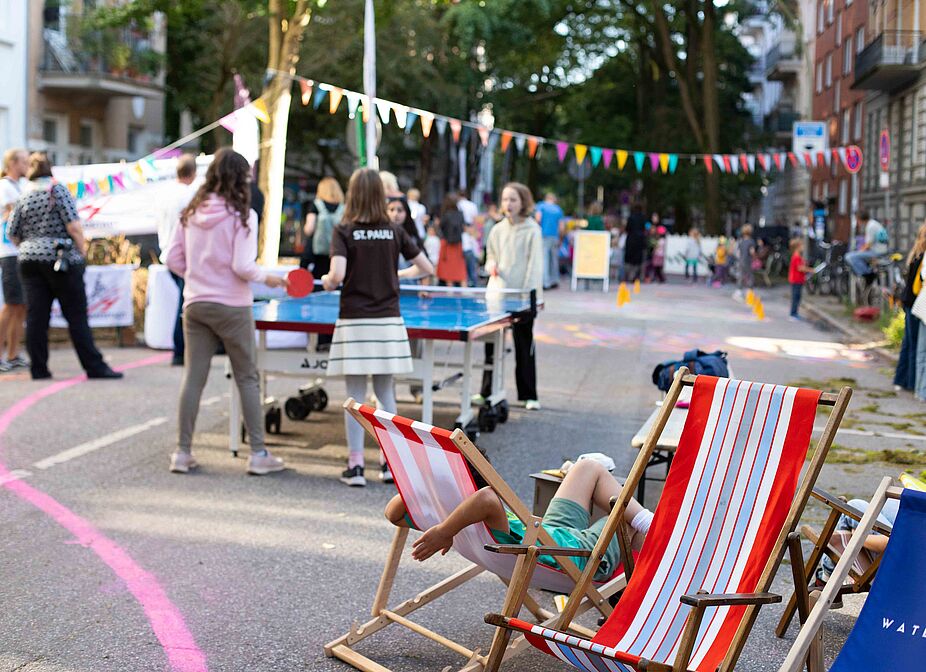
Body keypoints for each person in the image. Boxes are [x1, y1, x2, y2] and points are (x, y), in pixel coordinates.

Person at [164, 148, 288, 475]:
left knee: (193, 377)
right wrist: (270, 278)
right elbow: (242, 266)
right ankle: (259, 454)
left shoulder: (190, 212)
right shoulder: (243, 215)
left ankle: (182, 452)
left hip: (195, 303)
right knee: (247, 377)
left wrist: (196, 275)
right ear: (241, 177)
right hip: (232, 305)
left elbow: (171, 259)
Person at [321, 169, 433, 487]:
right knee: (386, 395)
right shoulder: (394, 231)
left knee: (355, 396)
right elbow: (428, 267)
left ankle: (355, 466)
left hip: (355, 321)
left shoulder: (344, 230)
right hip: (387, 321)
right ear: (380, 196)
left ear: (353, 194)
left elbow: (337, 275)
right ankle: (388, 465)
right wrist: (399, 276)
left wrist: (330, 282)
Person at [387, 458, 654, 581]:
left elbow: (393, 513)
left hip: (550, 533)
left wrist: (425, 484)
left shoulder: (443, 512)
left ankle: (638, 514)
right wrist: (445, 531)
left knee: (589, 468)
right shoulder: (471, 514)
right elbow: (488, 498)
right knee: (626, 519)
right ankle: (653, 538)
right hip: (579, 554)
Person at [7, 153, 122, 381]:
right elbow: (74, 227)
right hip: (61, 260)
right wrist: (81, 252)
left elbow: (12, 232)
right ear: (51, 170)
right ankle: (94, 367)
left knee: (37, 317)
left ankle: (38, 369)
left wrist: (30, 246)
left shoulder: (24, 196)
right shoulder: (56, 191)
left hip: (29, 261)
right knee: (76, 315)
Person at [480, 182, 543, 410]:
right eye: (505, 199)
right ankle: (486, 391)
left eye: (513, 199)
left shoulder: (532, 230)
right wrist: (491, 266)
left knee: (523, 344)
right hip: (497, 293)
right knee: (491, 344)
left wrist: (527, 297)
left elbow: (534, 267)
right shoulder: (497, 229)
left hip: (523, 297)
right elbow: (489, 257)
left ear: (523, 202)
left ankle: (529, 394)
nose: (508, 204)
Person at [157, 154, 198, 366]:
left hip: (167, 253)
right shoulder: (191, 196)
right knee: (186, 306)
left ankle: (181, 349)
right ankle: (181, 350)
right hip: (183, 256)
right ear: (193, 173)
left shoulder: (165, 195)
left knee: (185, 304)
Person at [0, 148, 29, 372]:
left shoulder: (19, 186)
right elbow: (10, 217)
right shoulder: (5, 187)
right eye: (24, 162)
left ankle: (12, 354)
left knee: (20, 306)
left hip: (20, 252)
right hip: (9, 252)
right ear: (13, 163)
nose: (27, 166)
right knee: (10, 305)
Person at [896, 224, 926, 392]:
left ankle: (902, 380)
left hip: (909, 303)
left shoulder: (914, 254)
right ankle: (913, 382)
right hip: (918, 305)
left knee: (908, 343)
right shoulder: (923, 257)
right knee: (916, 345)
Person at [845, 211, 889, 279]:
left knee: (849, 256)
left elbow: (868, 244)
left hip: (877, 252)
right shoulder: (874, 223)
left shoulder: (870, 226)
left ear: (859, 219)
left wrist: (859, 251)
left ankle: (867, 274)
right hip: (883, 250)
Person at [436, 193, 467, 287]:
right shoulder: (460, 214)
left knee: (448, 271)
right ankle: (465, 291)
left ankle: (450, 291)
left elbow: (440, 228)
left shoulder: (445, 215)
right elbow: (463, 228)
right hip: (458, 245)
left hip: (446, 245)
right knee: (460, 270)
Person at [534, 193, 564, 290]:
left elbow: (538, 219)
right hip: (554, 236)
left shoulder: (541, 206)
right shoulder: (558, 209)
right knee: (554, 260)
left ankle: (545, 283)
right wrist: (560, 239)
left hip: (544, 235)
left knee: (544, 259)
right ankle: (554, 280)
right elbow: (561, 226)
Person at [788, 238, 813, 321]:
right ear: (797, 247)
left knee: (798, 297)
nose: (803, 247)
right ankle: (793, 314)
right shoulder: (796, 257)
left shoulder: (798, 257)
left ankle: (795, 313)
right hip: (796, 280)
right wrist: (810, 270)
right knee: (795, 297)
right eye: (802, 246)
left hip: (798, 280)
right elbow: (800, 268)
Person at [623, 204, 647, 283]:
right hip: (640, 240)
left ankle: (628, 275)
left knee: (629, 258)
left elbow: (627, 228)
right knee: (638, 259)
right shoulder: (643, 218)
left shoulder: (631, 217)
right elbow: (644, 228)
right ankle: (635, 276)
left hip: (631, 239)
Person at [735, 224, 756, 297]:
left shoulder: (741, 241)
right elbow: (752, 252)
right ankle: (749, 291)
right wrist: (754, 257)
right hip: (748, 261)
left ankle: (739, 291)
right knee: (750, 276)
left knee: (740, 275)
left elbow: (738, 253)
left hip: (741, 261)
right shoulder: (751, 241)